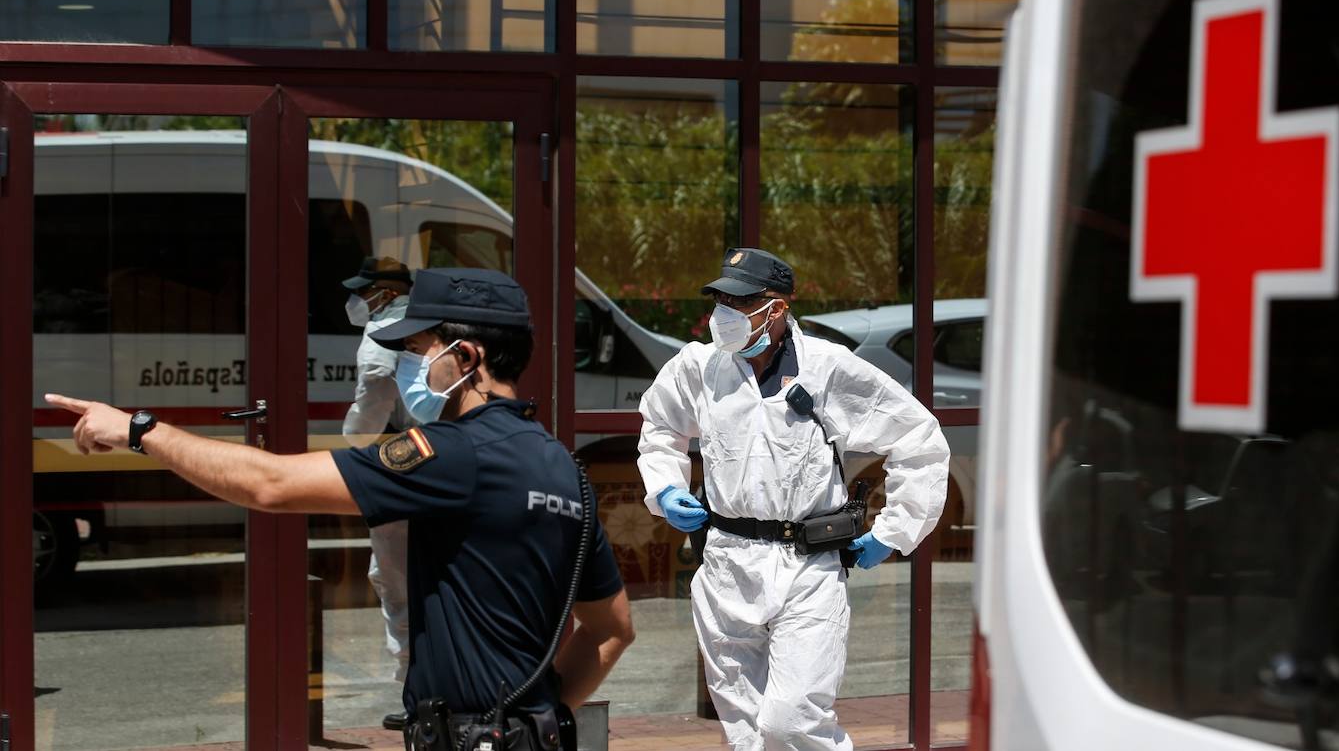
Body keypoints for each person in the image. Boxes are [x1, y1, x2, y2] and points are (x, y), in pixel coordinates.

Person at [49, 267, 635, 749]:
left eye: (418, 349)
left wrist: (140, 430)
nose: (411, 365)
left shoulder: (454, 455)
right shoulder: (561, 467)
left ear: (466, 357)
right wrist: (545, 717)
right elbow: (612, 629)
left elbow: (270, 485)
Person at [637, 248, 949, 751]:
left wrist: (894, 532)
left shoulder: (827, 369)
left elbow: (918, 438)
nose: (724, 315)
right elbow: (660, 428)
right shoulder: (698, 367)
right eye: (719, 301)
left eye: (738, 304)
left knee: (792, 722)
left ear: (777, 308)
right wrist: (665, 488)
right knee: (746, 730)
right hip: (726, 563)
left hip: (808, 565)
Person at [340, 255, 417, 728]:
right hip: (440, 459)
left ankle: (417, 693)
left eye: (363, 291)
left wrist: (351, 443)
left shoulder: (381, 334)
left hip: (399, 465)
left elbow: (372, 398)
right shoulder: (431, 322)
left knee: (394, 580)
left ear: (384, 294)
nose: (355, 301)